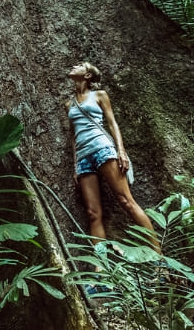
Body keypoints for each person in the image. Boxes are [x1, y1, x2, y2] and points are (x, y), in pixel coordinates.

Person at [66, 62, 157, 245]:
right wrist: (75, 165)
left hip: (103, 149)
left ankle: (158, 256)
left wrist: (121, 151)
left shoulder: (99, 95)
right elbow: (73, 136)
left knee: (126, 201)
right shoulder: (69, 104)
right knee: (93, 214)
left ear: (88, 75)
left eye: (80, 65)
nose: (74, 65)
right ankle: (101, 268)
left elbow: (112, 123)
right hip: (84, 157)